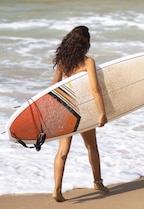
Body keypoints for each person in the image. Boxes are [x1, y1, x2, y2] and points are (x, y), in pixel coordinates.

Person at [51, 25, 109, 202]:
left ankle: (57, 190)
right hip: (83, 108)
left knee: (63, 151)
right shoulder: (88, 62)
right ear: (85, 43)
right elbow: (94, 89)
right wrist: (101, 113)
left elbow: (54, 85)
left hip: (66, 108)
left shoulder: (62, 61)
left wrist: (54, 110)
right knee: (91, 146)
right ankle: (97, 182)